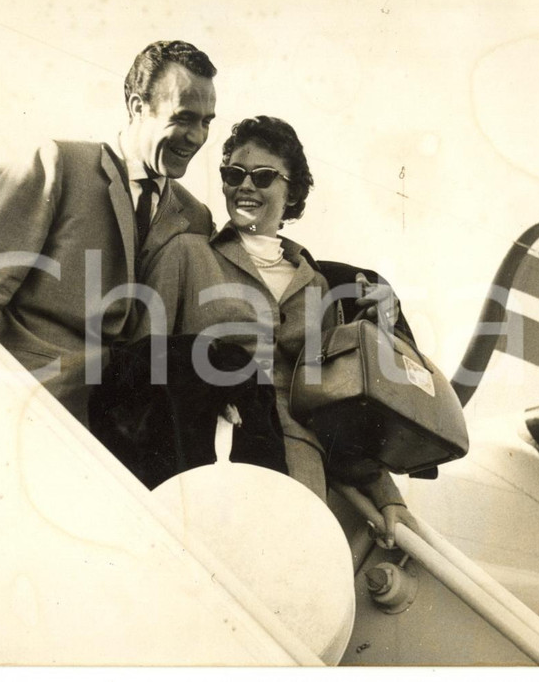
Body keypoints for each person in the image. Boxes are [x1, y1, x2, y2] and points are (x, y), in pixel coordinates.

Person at [135, 116, 415, 542]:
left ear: (292, 193)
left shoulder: (317, 283)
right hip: (207, 453)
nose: (245, 186)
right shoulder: (186, 255)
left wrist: (388, 495)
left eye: (263, 176)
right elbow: (140, 364)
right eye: (234, 174)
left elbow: (329, 404)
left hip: (299, 464)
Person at [0, 41, 217, 424]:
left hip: (123, 430)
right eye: (184, 118)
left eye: (207, 122)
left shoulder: (195, 218)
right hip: (25, 404)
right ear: (138, 107)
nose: (196, 137)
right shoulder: (59, 164)